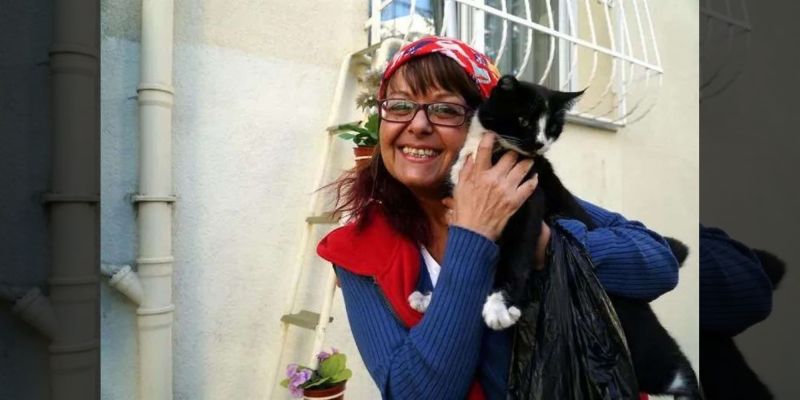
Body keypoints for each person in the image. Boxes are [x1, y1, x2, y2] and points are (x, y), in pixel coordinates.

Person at [317, 36, 679, 400]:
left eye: (445, 109)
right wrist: (473, 236)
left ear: (482, 125)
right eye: (399, 105)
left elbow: (661, 264)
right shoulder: (356, 251)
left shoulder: (522, 191)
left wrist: (547, 245)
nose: (418, 125)